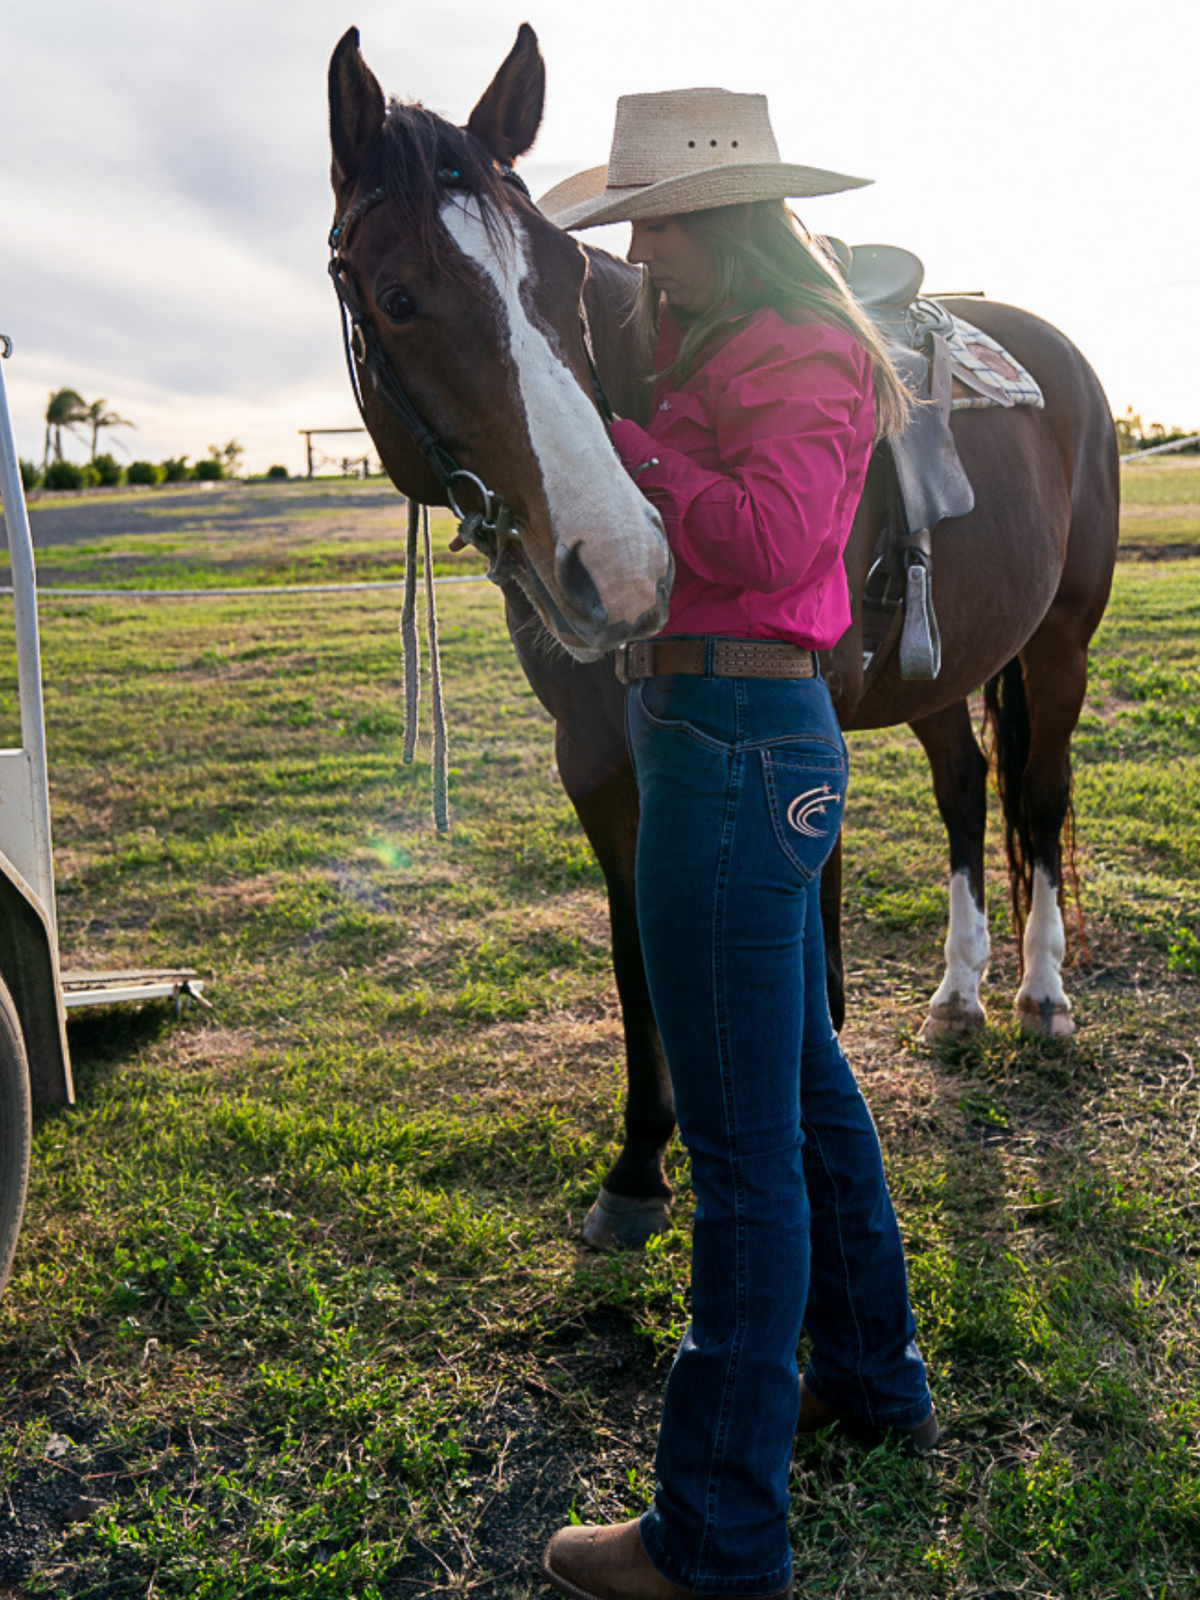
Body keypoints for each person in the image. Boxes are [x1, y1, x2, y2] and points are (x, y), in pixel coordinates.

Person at [535, 89, 936, 1600]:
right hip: (731, 737)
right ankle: (875, 1373)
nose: (640, 247)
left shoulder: (802, 352)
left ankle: (713, 1533)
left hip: (728, 745)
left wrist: (621, 452)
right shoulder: (744, 346)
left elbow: (769, 545)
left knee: (742, 1147)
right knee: (807, 1090)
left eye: (656, 220)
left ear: (722, 222)